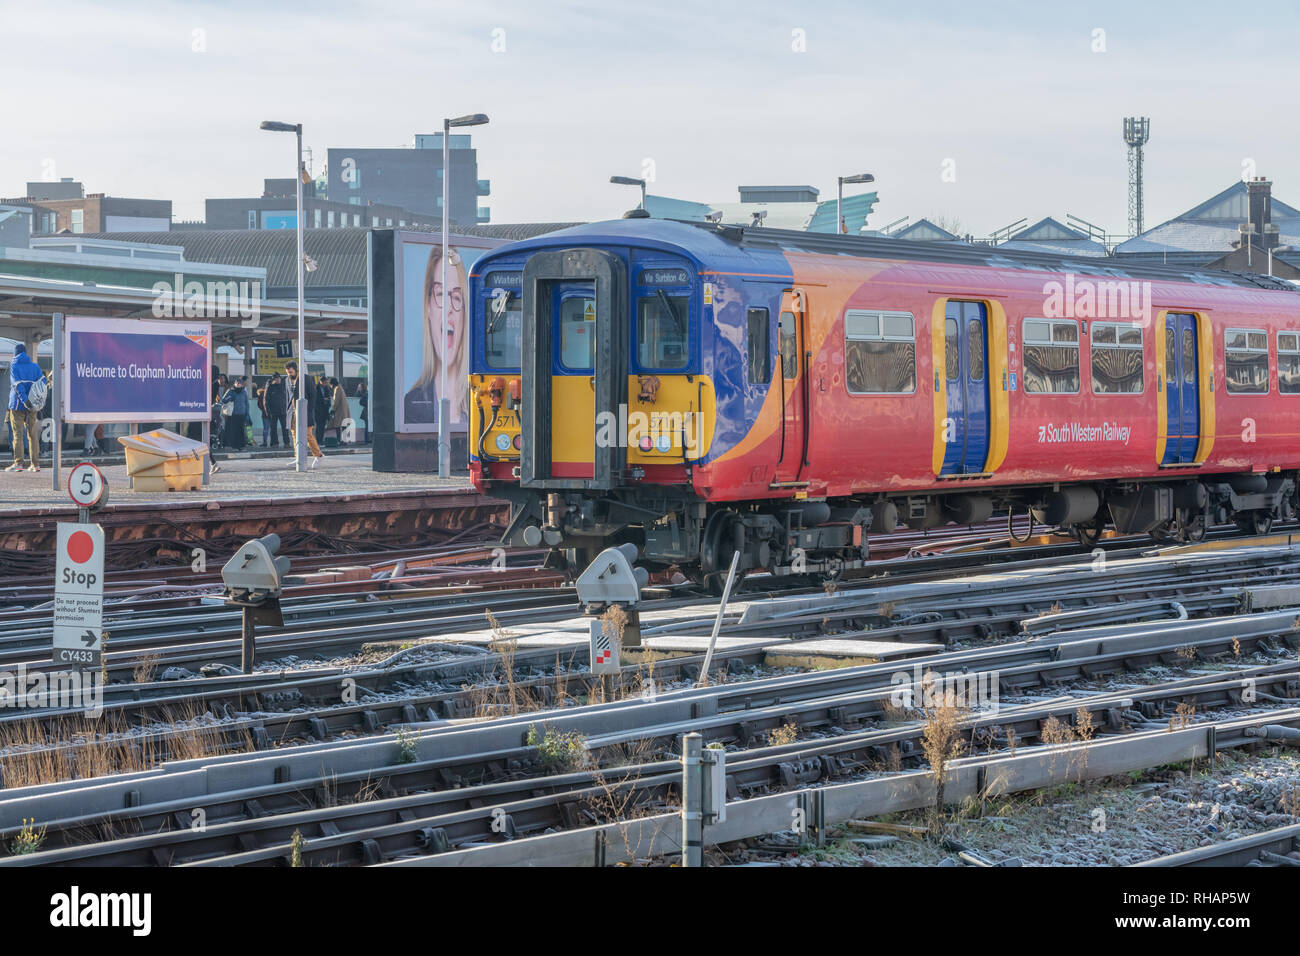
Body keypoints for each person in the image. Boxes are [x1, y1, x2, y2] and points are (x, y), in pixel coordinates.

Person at [403, 245, 469, 426]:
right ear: (428, 307)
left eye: (456, 297)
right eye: (440, 294)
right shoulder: (411, 404)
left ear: (465, 312)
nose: (449, 308)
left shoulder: (480, 399)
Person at [6, 343, 42, 472]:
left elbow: (17, 385)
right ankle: (35, 464)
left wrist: (24, 400)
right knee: (32, 434)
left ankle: (18, 463)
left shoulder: (14, 365)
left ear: (15, 353)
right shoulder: (35, 367)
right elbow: (42, 382)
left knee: (18, 434)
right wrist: (34, 399)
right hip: (32, 406)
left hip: (17, 405)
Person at [284, 361, 323, 466]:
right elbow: (288, 396)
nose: (289, 374)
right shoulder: (287, 380)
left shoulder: (305, 378)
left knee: (307, 435)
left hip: (304, 411)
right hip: (292, 412)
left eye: (291, 372)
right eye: (287, 372)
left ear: (296, 370)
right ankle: (298, 458)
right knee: (294, 435)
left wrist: (308, 410)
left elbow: (313, 395)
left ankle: (318, 455)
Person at [220, 377, 249, 451]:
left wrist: (247, 413)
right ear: (235, 384)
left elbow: (246, 403)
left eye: (240, 383)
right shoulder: (231, 391)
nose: (238, 384)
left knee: (241, 430)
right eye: (237, 383)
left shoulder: (244, 392)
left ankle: (241, 446)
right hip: (233, 414)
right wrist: (230, 397)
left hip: (242, 414)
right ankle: (234, 446)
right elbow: (223, 400)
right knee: (233, 431)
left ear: (242, 384)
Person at [263, 373, 288, 448]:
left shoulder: (284, 387)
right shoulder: (270, 387)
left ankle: (286, 443)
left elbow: (288, 399)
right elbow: (266, 400)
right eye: (276, 379)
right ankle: (274, 443)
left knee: (285, 428)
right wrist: (268, 411)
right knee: (273, 429)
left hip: (283, 411)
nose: (278, 380)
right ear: (273, 380)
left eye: (279, 378)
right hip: (273, 412)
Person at [327, 377, 349, 443]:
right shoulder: (340, 387)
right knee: (343, 426)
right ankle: (344, 441)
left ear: (333, 384)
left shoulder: (337, 389)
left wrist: (333, 409)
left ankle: (340, 441)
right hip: (342, 410)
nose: (330, 386)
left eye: (330, 384)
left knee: (338, 426)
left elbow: (336, 401)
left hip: (339, 411)